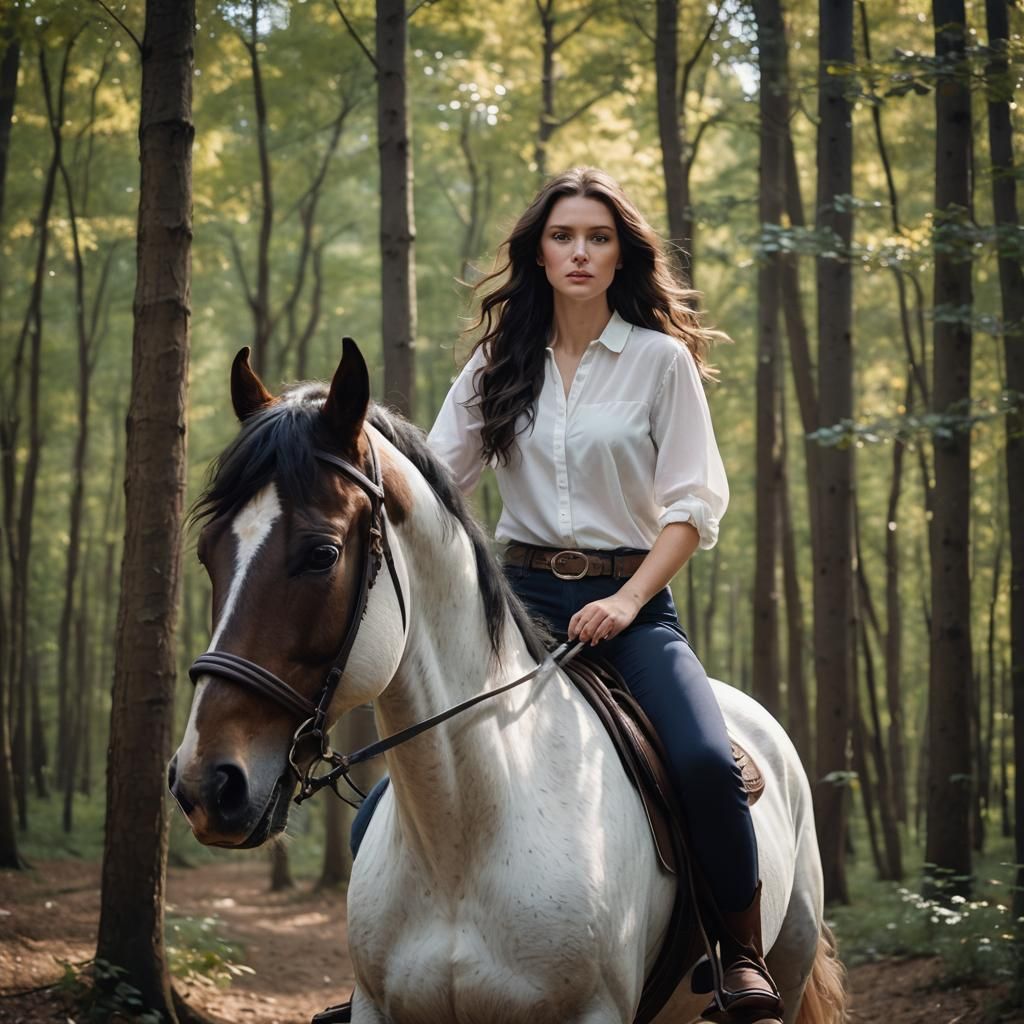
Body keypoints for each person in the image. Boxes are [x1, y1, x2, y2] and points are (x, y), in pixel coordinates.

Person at [357, 166, 783, 1024]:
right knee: (393, 782)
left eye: (598, 237)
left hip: (632, 608)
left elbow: (693, 508)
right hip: (513, 603)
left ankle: (739, 957)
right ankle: (376, 969)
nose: (580, 252)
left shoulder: (660, 362)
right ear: (538, 253)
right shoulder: (494, 366)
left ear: (621, 253)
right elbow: (440, 484)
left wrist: (627, 601)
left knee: (704, 761)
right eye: (563, 237)